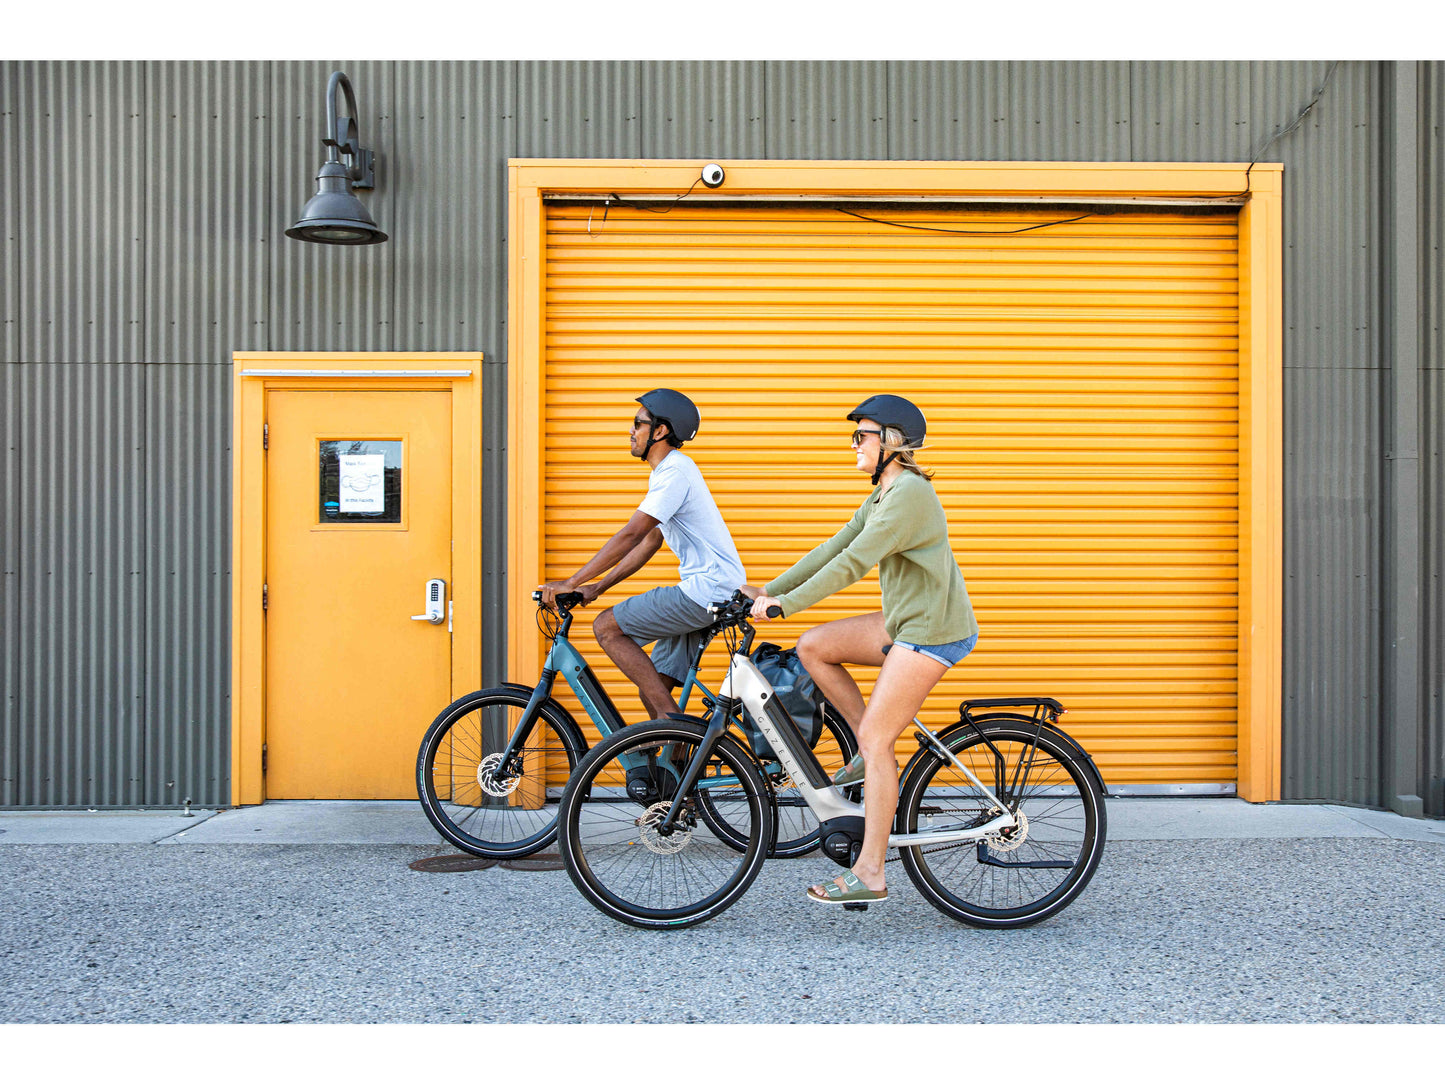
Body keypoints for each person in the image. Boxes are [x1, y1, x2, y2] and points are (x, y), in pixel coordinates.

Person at [745, 394, 978, 905]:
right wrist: (769, 591)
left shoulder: (910, 495)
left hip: (933, 630)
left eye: (862, 435)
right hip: (905, 620)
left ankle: (871, 872)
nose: (854, 445)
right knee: (815, 646)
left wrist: (784, 605)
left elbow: (852, 564)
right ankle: (863, 750)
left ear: (892, 442)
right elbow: (833, 547)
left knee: (878, 741)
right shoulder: (882, 496)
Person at [539, 389, 746, 722]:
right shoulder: (669, 473)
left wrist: (572, 581)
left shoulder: (675, 472)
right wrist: (597, 588)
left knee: (607, 627)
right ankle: (671, 762)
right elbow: (650, 540)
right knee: (654, 685)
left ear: (660, 431)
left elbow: (632, 533)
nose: (631, 432)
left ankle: (674, 728)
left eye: (638, 424)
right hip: (712, 591)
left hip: (706, 591)